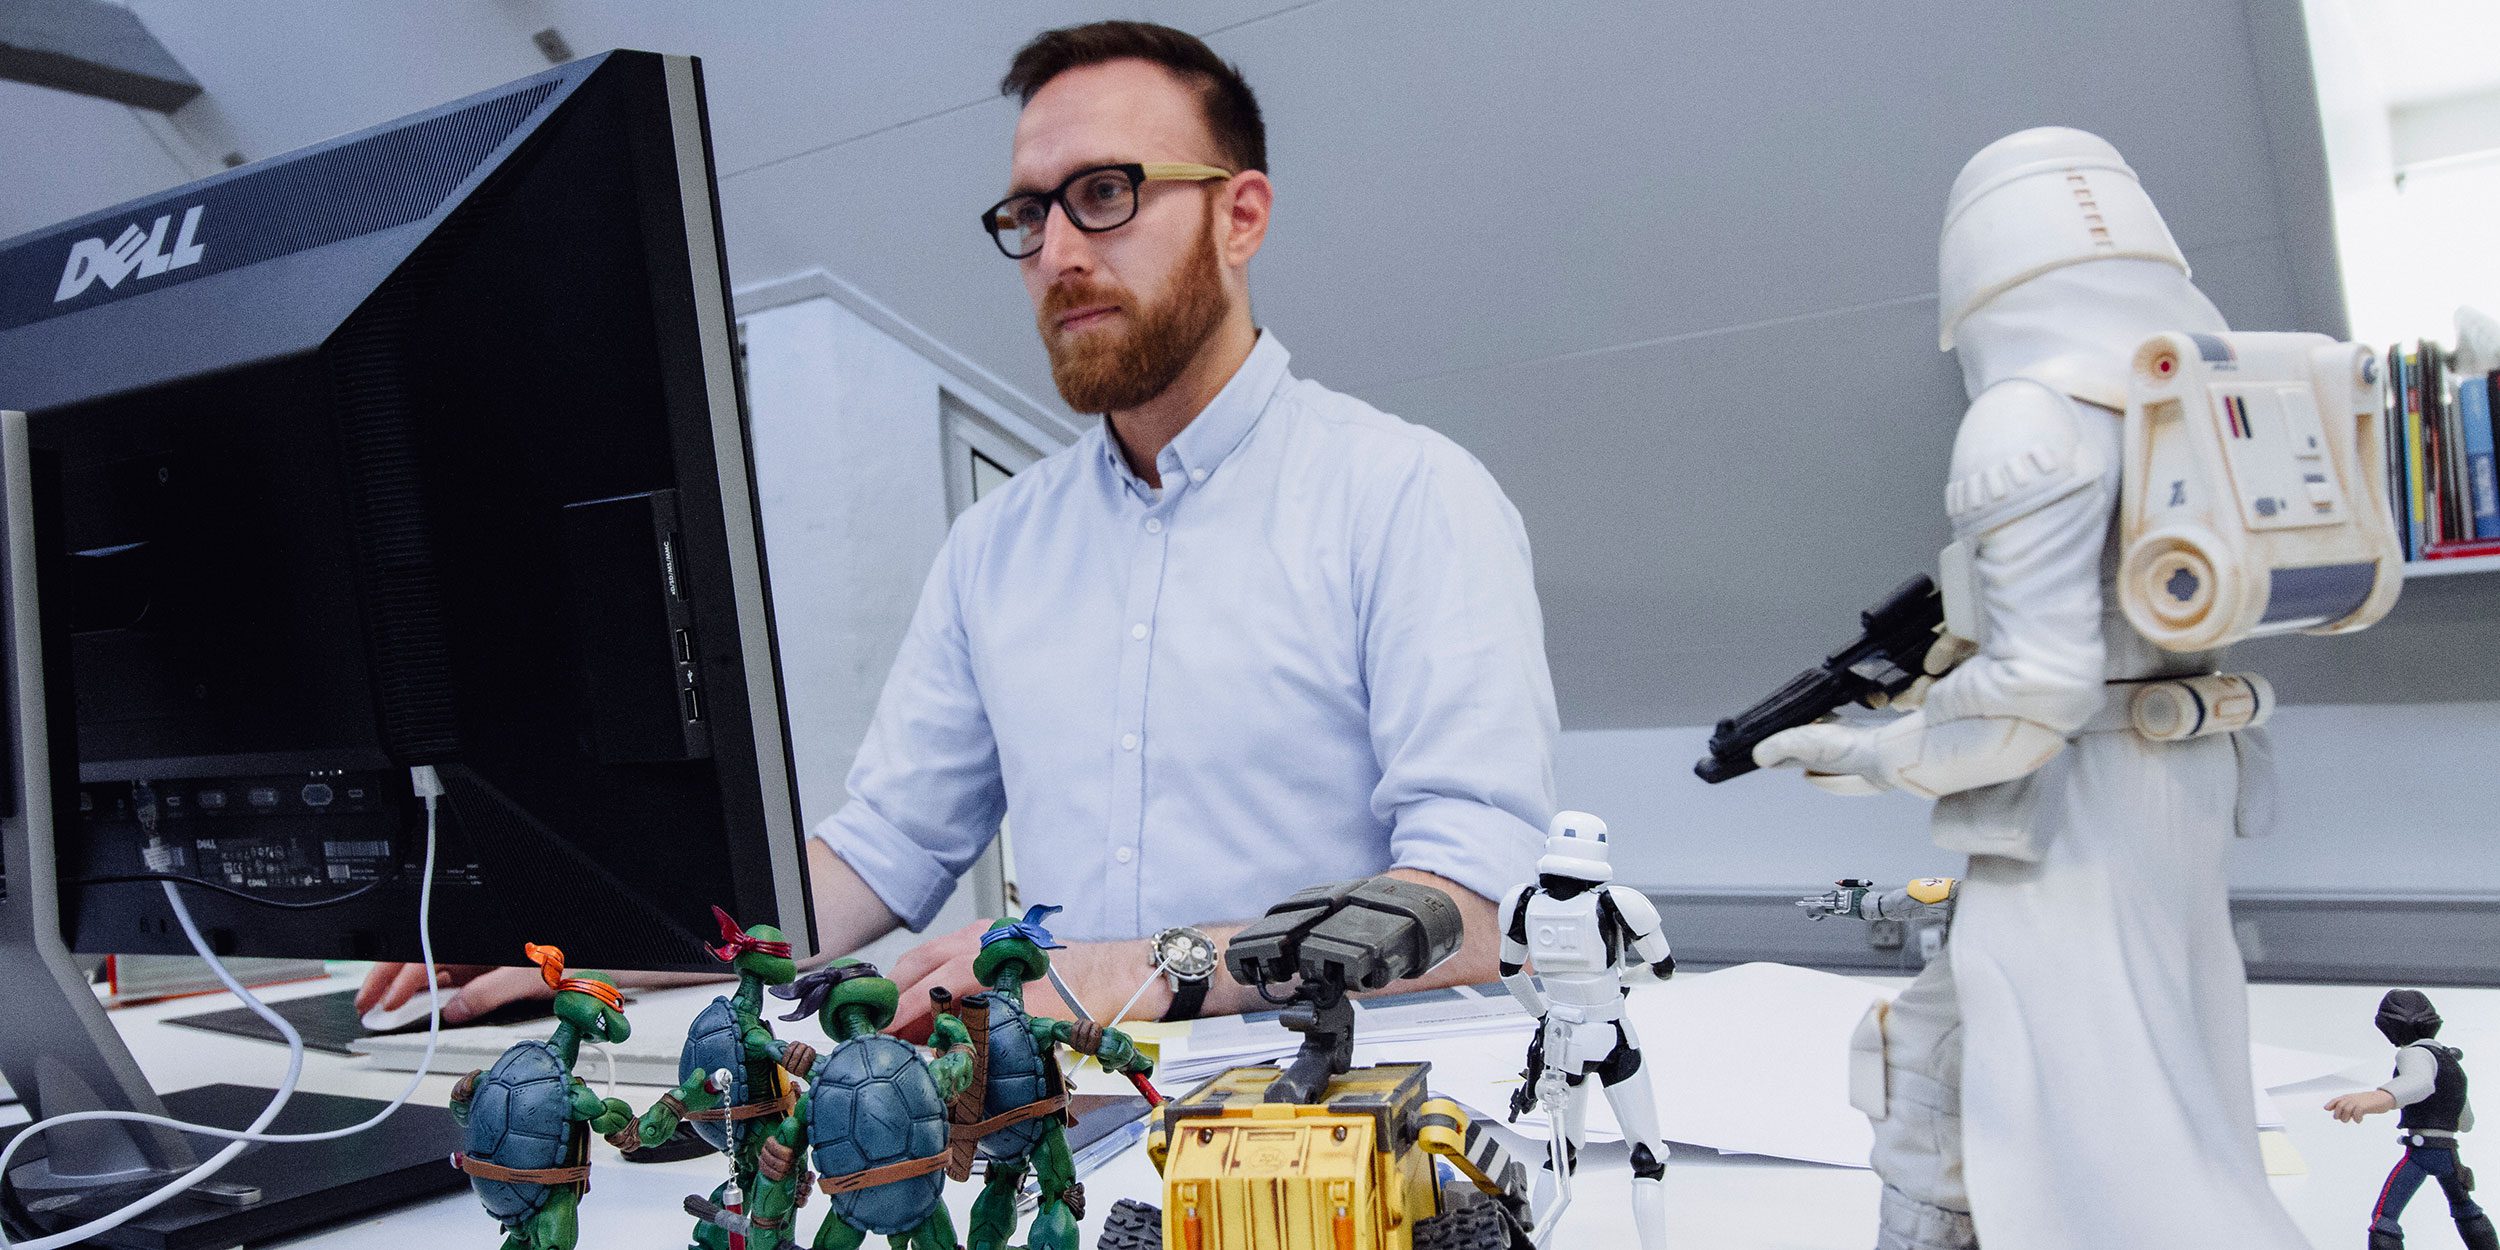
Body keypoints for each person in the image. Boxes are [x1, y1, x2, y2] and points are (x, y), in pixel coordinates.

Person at [361, 20, 1557, 1034]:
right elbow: (879, 852)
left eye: (1106, 193)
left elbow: (1468, 903)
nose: (1061, 252)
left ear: (1238, 217)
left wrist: (1121, 969)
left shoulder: (1409, 496)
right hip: (1073, 1117)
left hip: (1339, 1120)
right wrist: (600, 942)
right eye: (1031, 213)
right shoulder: (1000, 544)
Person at [1752, 127, 2308, 1248]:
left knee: (2115, 1121)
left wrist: (1869, 755)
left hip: (2078, 806)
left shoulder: (2030, 415)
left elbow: (2035, 693)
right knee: (1953, 1057)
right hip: (2180, 772)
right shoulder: (2202, 396)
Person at [2327, 990, 2496, 1250]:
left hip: (2420, 1152)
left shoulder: (2414, 1054)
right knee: (2465, 1208)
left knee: (2384, 1219)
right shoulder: (2450, 1059)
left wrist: (2374, 1099)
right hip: (2450, 1153)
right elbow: (2466, 1121)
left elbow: (2418, 1084)